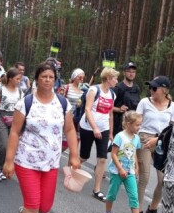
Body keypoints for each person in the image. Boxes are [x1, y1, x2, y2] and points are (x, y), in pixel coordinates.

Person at [3, 61, 81, 213]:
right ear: (37, 79)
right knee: (32, 205)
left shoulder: (62, 103)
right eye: (44, 76)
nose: (47, 80)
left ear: (55, 80)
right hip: (26, 160)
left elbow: (70, 129)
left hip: (51, 162)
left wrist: (74, 155)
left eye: (51, 77)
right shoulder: (26, 102)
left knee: (44, 207)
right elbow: (14, 132)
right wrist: (8, 161)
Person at [136, 76, 174, 213]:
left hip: (162, 141)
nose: (151, 90)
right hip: (144, 139)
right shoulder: (144, 102)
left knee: (164, 179)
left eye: (154, 88)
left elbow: (173, 129)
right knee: (145, 177)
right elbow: (136, 124)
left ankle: (152, 209)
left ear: (164, 90)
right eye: (150, 87)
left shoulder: (173, 106)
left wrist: (160, 139)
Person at [102, 111, 150, 213]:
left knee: (134, 197)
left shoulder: (137, 138)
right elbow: (113, 153)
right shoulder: (120, 136)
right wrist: (120, 169)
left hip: (130, 172)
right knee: (112, 194)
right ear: (128, 124)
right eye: (137, 125)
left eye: (140, 125)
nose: (139, 128)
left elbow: (133, 152)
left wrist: (137, 166)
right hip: (117, 171)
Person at [79, 67, 118, 202]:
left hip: (104, 129)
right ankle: (73, 171)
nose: (116, 81)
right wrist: (94, 127)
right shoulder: (94, 90)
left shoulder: (112, 94)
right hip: (88, 128)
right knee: (84, 156)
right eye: (115, 78)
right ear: (108, 78)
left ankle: (97, 189)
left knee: (102, 159)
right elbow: (88, 109)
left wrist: (111, 132)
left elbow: (110, 114)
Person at [0, 68, 23, 182]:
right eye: (17, 79)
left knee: (11, 146)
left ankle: (3, 168)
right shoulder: (1, 90)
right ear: (11, 79)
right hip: (1, 117)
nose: (19, 81)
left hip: (14, 119)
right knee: (3, 145)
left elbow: (22, 110)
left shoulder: (20, 92)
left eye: (20, 79)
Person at [58, 68, 86, 151]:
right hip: (66, 119)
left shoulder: (83, 90)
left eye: (83, 78)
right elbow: (59, 101)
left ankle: (71, 164)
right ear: (74, 77)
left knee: (74, 147)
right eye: (79, 77)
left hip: (77, 120)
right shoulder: (66, 87)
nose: (81, 79)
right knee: (63, 146)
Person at [112, 62, 140, 135]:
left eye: (133, 72)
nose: (131, 74)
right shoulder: (117, 87)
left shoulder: (136, 88)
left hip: (132, 124)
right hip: (118, 125)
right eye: (129, 71)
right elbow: (108, 106)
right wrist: (118, 109)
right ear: (124, 72)